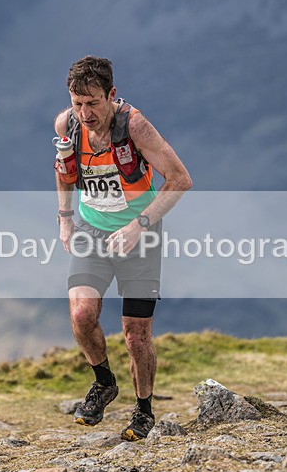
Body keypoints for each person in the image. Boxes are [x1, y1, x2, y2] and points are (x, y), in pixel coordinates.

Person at [53, 56, 192, 440]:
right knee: (81, 315)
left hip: (140, 236)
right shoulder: (67, 124)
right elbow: (63, 169)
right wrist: (65, 217)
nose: (85, 113)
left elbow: (180, 180)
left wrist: (139, 225)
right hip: (91, 232)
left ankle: (144, 408)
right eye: (78, 103)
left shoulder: (136, 127)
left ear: (111, 95)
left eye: (94, 103)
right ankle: (104, 382)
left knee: (136, 334)